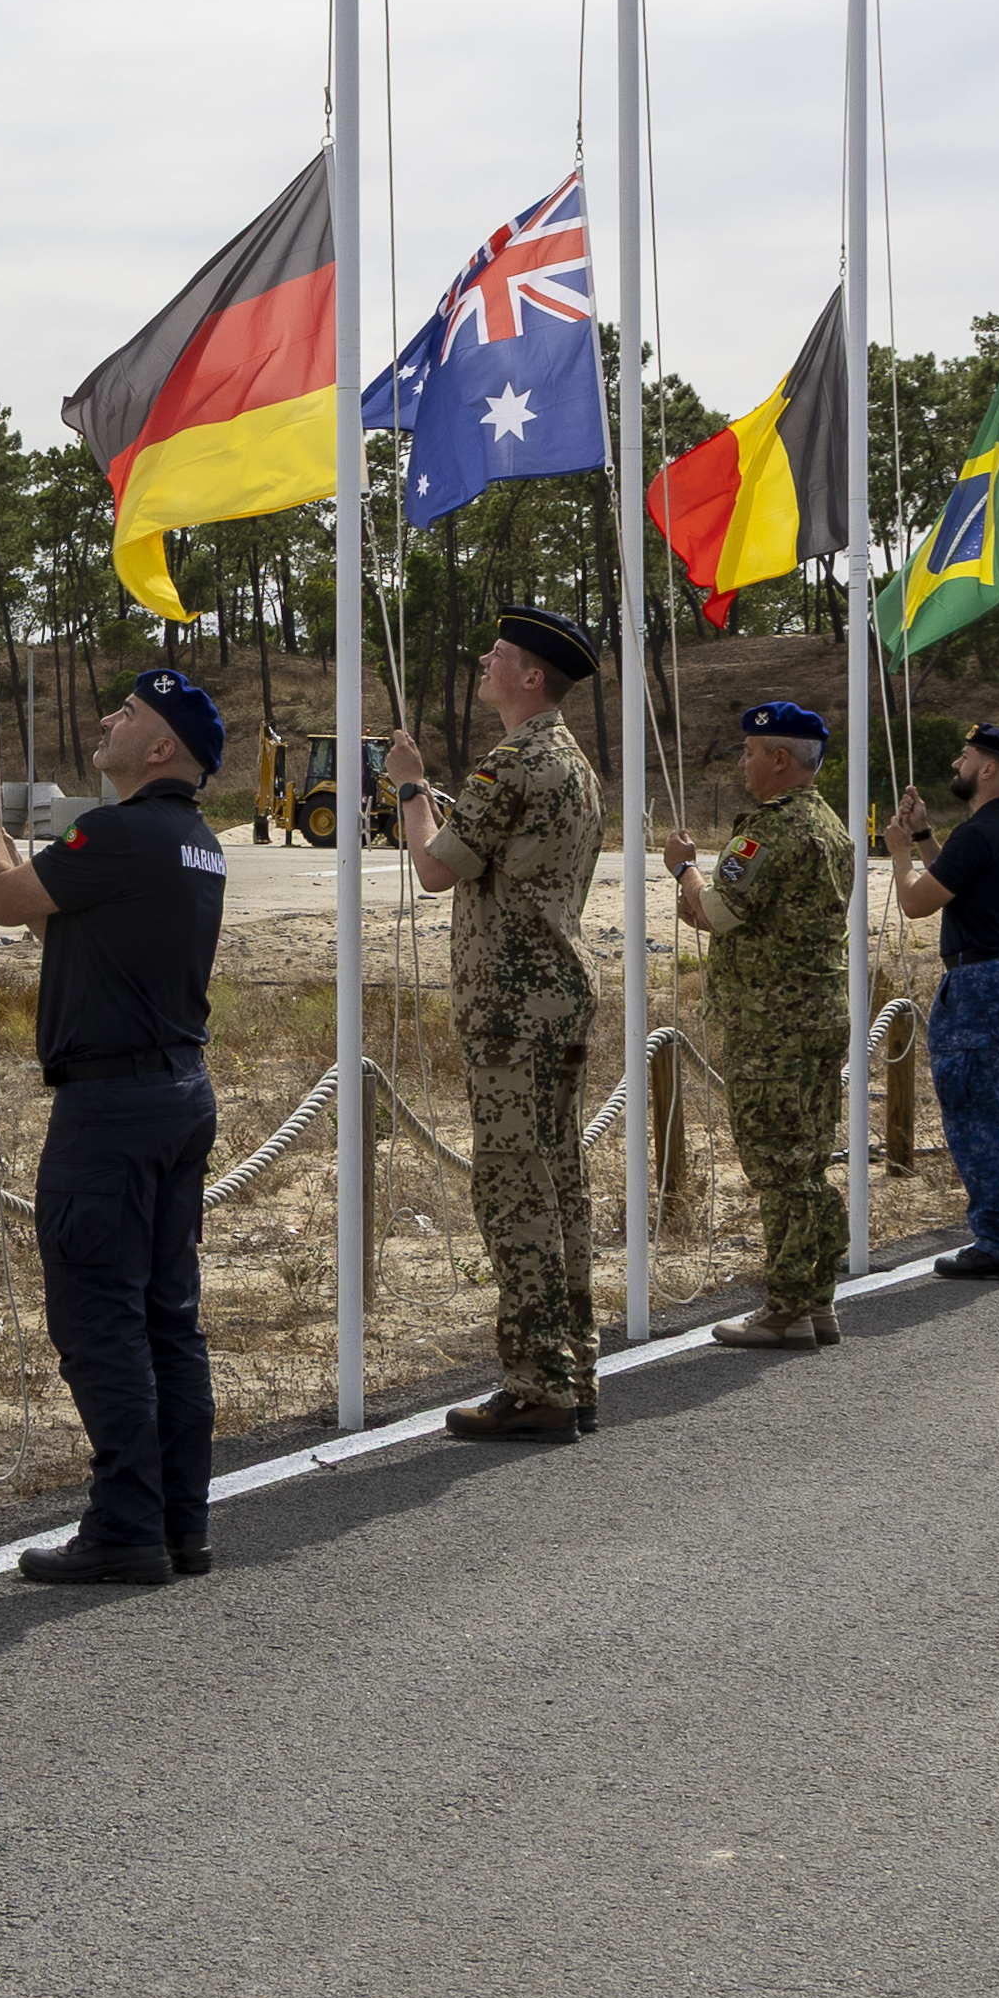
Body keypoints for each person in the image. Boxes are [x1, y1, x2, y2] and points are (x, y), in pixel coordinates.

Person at [0, 671, 230, 1588]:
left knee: (101, 1320)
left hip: (111, 1110)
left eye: (129, 715)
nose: (107, 719)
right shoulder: (194, 842)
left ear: (160, 749)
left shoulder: (114, 832)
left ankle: (124, 1527)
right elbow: (75, 929)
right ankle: (176, 1521)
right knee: (164, 1318)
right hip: (176, 1091)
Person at [386, 608, 608, 1435]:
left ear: (531, 679)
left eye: (500, 654)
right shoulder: (572, 764)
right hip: (555, 993)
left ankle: (537, 1383)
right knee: (559, 1184)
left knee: (515, 1188)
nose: (485, 658)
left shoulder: (512, 761)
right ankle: (570, 1369)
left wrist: (409, 787)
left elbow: (435, 869)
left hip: (512, 1005)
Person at [657, 696, 859, 1348]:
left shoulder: (768, 829)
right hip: (819, 1011)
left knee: (778, 1166)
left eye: (749, 752)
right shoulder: (831, 826)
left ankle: (786, 1306)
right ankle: (815, 1299)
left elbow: (714, 913)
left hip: (773, 1023)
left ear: (780, 758)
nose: (742, 763)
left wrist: (684, 867)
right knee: (806, 1159)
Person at [897, 724, 999, 1274]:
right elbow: (956, 880)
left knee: (977, 1116)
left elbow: (918, 902)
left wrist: (897, 854)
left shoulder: (981, 832)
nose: (956, 764)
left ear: (989, 769)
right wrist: (921, 837)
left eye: (965, 756)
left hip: (980, 982)